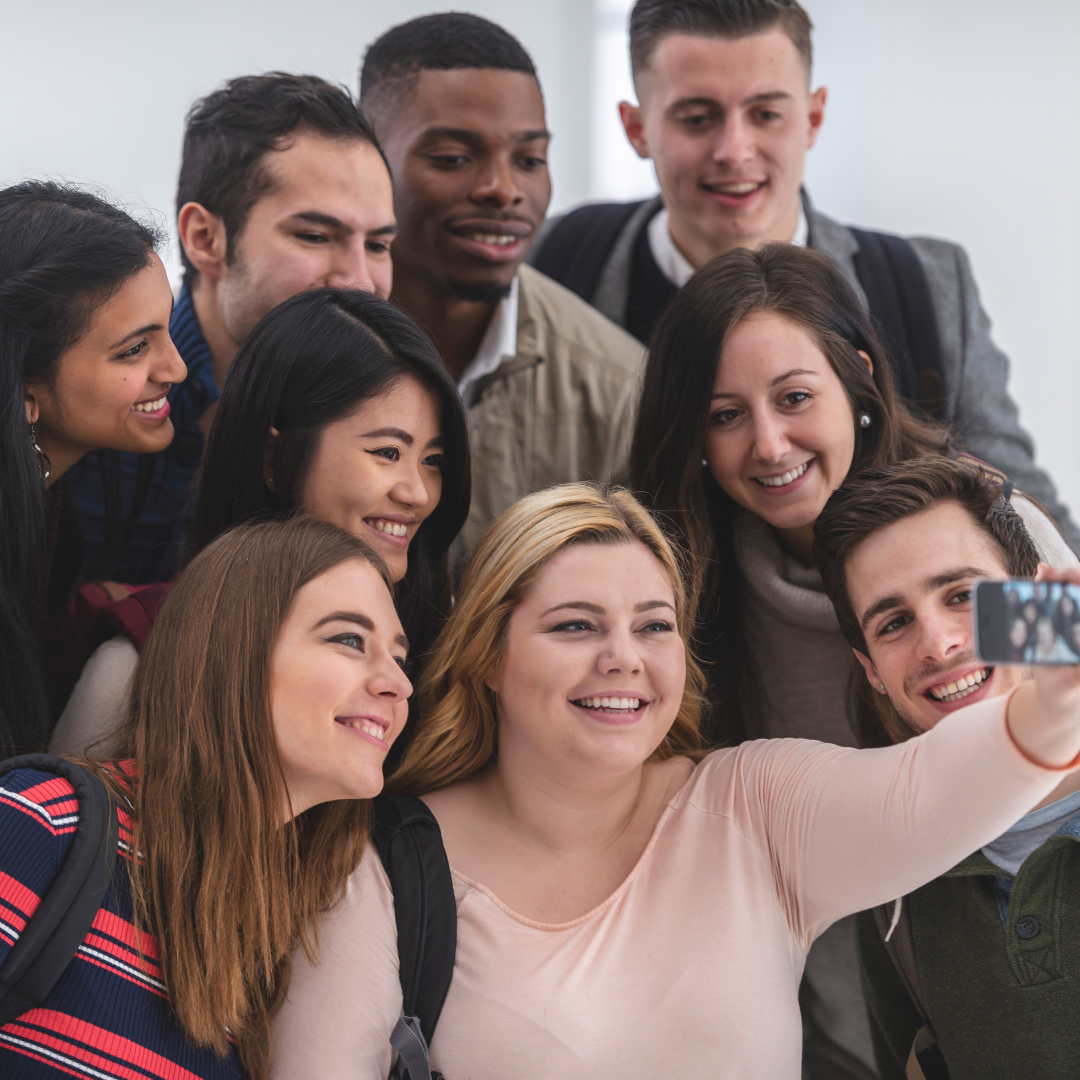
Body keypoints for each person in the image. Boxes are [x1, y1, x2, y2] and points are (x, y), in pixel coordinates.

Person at [270, 483, 1080, 1080]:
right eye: (575, 626)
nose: (623, 657)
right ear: (487, 653)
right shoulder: (384, 870)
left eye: (654, 626)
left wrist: (1058, 688)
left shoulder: (755, 806)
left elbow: (935, 787)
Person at [629, 241, 1077, 1075]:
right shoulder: (694, 591)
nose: (768, 444)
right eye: (725, 415)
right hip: (841, 1006)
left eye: (795, 397)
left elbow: (1065, 734)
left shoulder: (979, 527)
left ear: (859, 383)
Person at [530, 0, 1078, 552]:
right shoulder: (555, 263)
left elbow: (1034, 524)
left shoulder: (926, 287)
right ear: (636, 128)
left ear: (813, 119)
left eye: (766, 114)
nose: (733, 150)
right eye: (697, 118)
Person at [0, 515, 412, 1079]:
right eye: (349, 639)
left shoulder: (278, 935)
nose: (398, 683)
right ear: (232, 650)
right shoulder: (41, 821)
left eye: (399, 656)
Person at [50, 288, 469, 762]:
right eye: (388, 453)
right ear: (275, 457)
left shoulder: (446, 652)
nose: (417, 492)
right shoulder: (146, 656)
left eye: (433, 460)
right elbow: (64, 823)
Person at [68, 73, 397, 583]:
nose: (360, 281)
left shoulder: (400, 416)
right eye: (314, 235)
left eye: (378, 245)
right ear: (205, 238)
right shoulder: (90, 411)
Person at [812, 457, 1080, 1079]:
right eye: (895, 622)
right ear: (870, 668)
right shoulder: (889, 886)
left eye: (962, 595)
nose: (937, 643)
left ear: (1036, 601)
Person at [360, 13, 646, 558]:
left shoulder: (619, 392)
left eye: (529, 159)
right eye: (453, 159)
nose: (503, 189)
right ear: (368, 158)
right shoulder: (298, 345)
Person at [0, 180, 186, 758]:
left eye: (168, 329)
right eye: (134, 350)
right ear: (23, 386)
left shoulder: (49, 503)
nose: (176, 368)